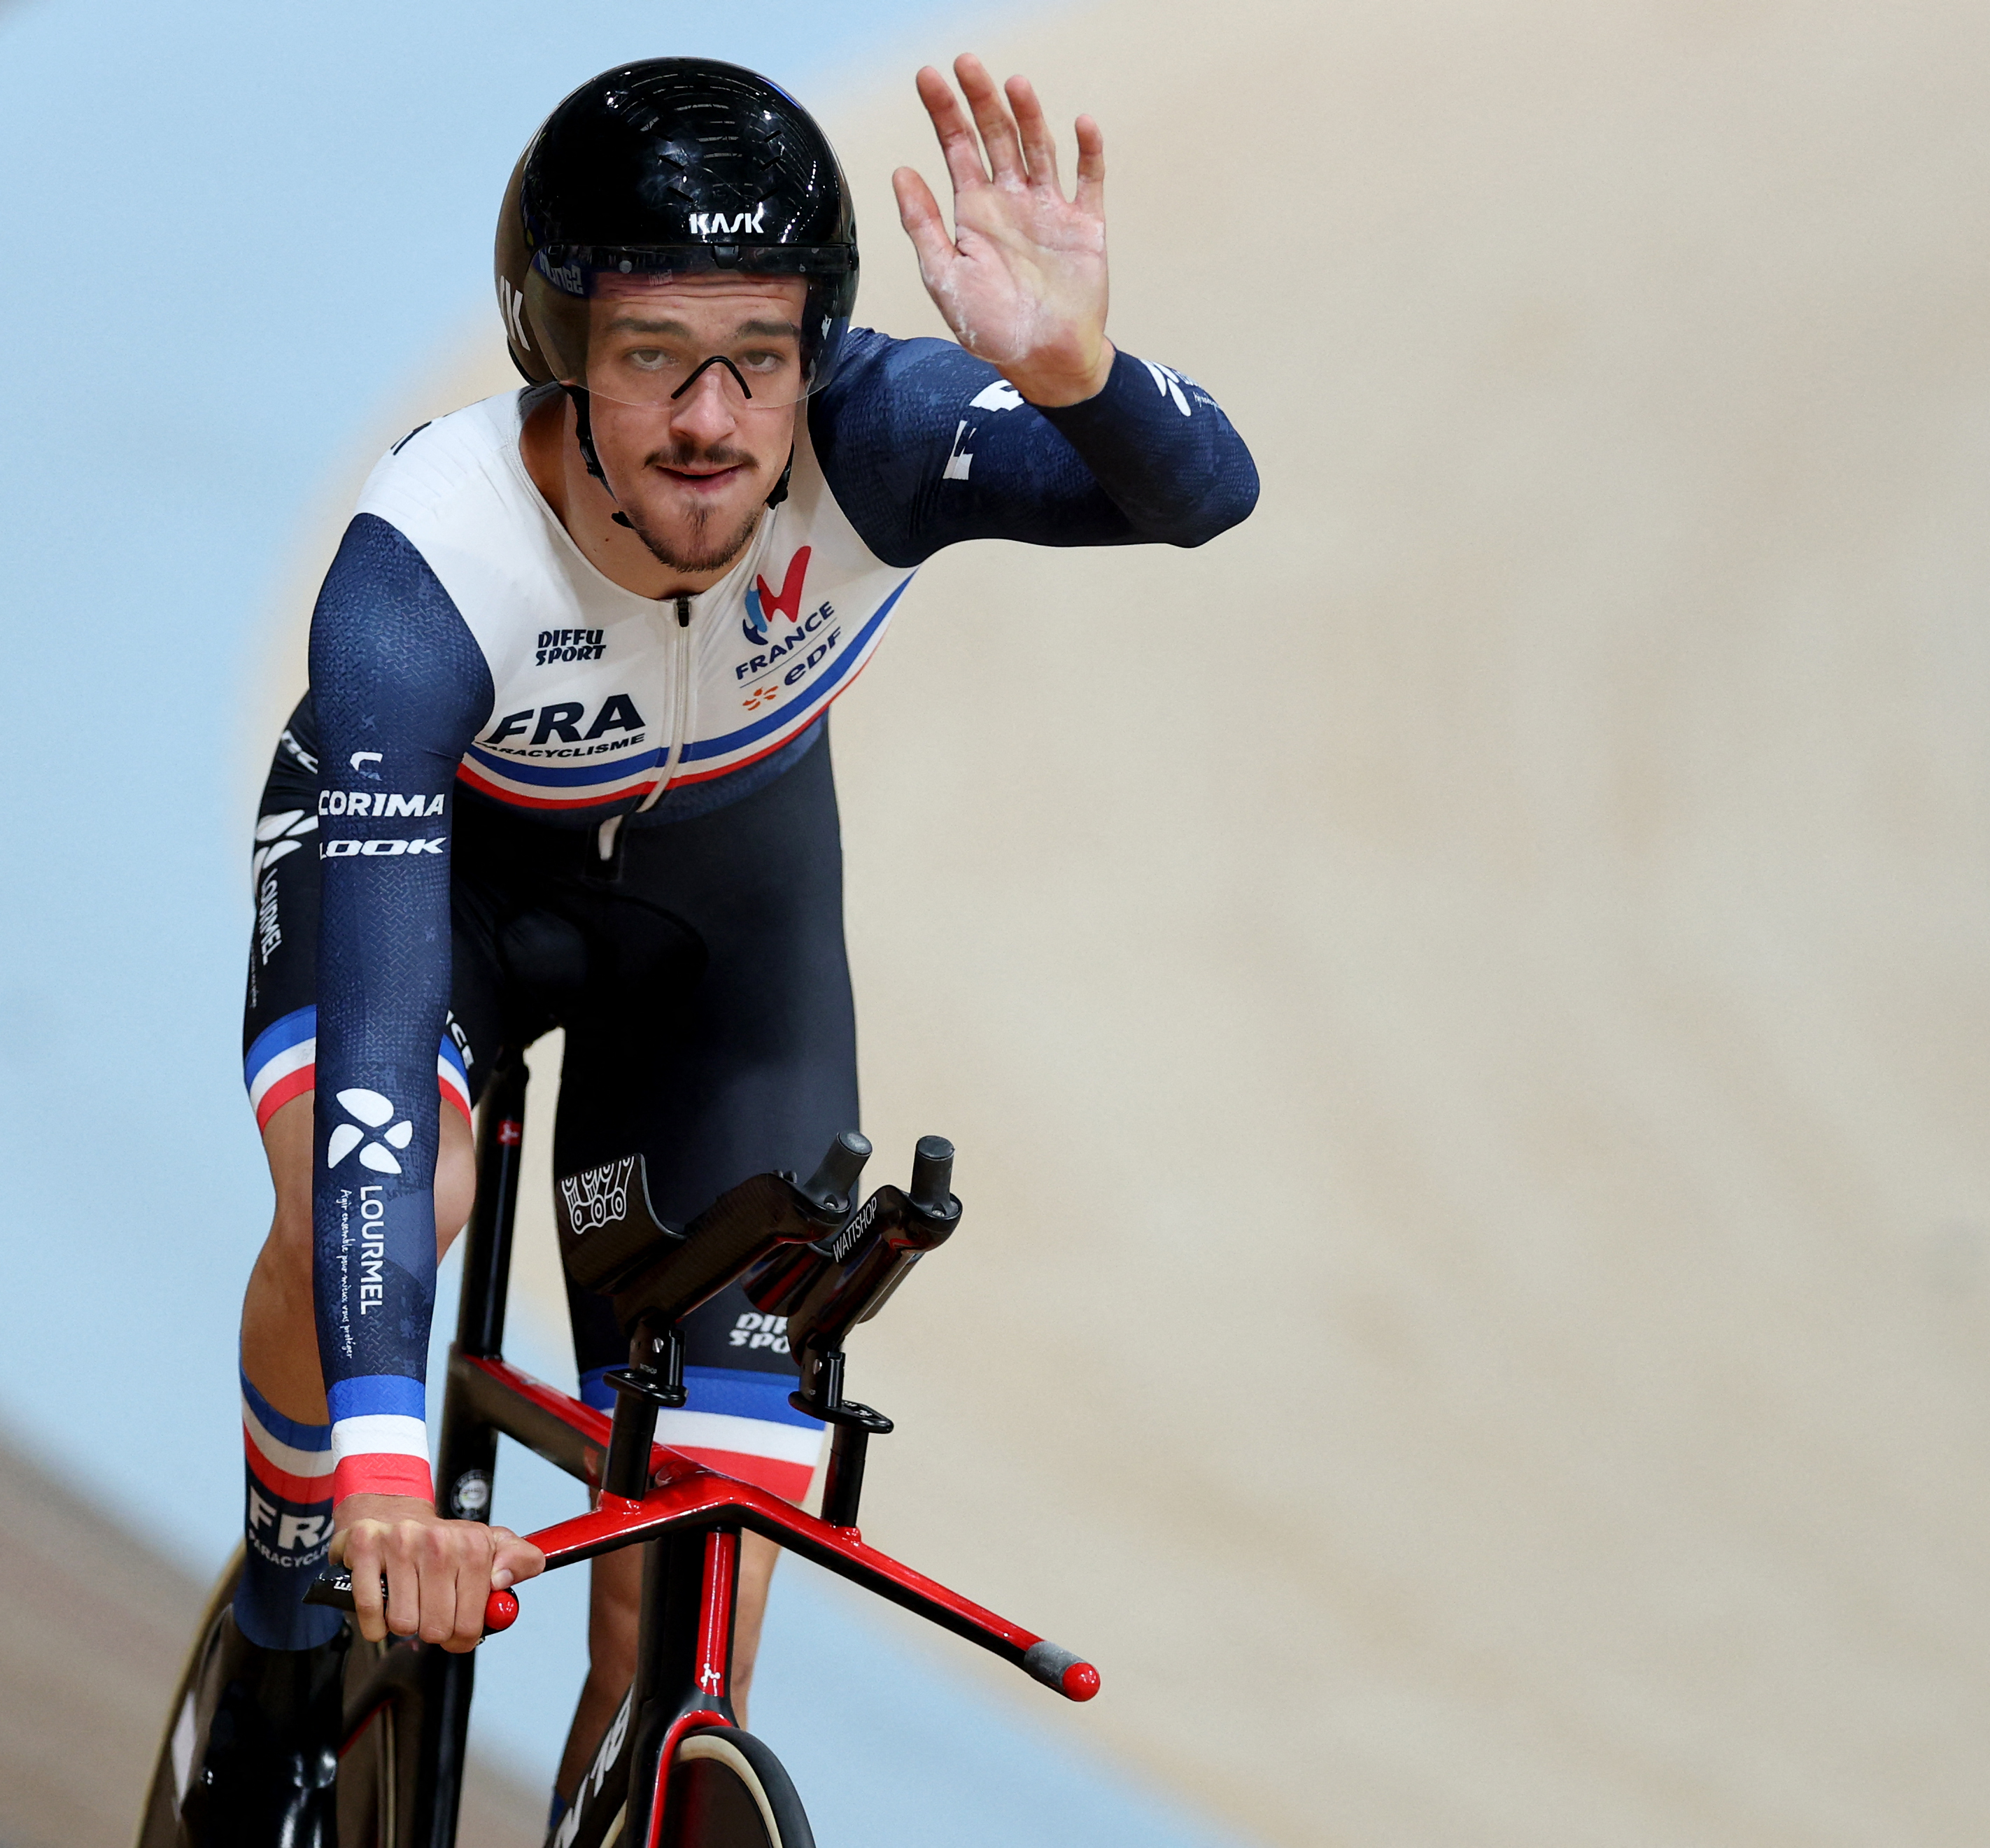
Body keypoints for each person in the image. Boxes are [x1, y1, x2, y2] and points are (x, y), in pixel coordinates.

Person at [201, 52, 1255, 1840]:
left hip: (713, 948)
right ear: (559, 353)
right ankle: (288, 1609)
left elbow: (1199, 490)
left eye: (755, 357)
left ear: (814, 352)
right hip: (433, 908)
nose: (709, 417)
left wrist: (1072, 370)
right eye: (650, 358)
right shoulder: (423, 569)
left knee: (692, 1597)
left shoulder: (882, 433)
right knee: (406, 1186)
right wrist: (383, 1482)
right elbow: (375, 1055)